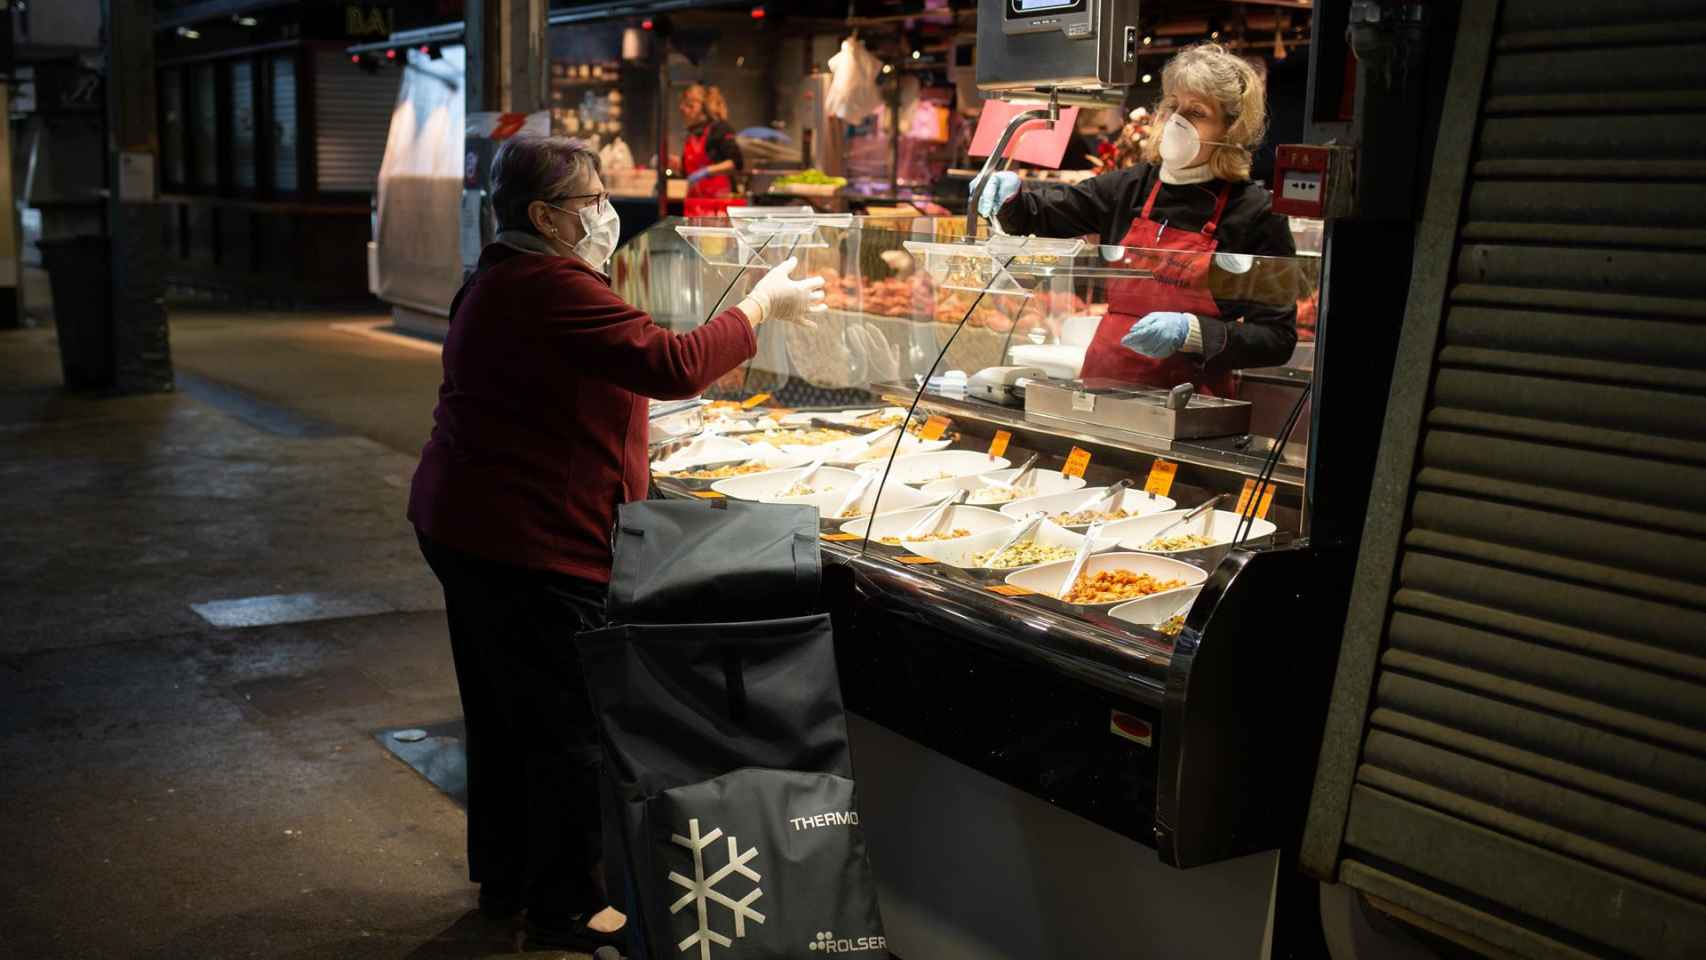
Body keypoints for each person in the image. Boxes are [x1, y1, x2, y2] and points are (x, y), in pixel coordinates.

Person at [407, 136, 823, 951]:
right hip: (529, 541)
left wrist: (633, 435)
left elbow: (555, 392)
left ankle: (507, 878)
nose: (607, 212)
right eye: (590, 200)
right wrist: (760, 309)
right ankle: (564, 904)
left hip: (467, 524)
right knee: (566, 728)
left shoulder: (496, 275)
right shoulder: (547, 284)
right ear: (543, 216)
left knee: (501, 714)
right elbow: (671, 362)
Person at [972, 43, 1296, 395]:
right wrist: (1008, 198)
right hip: (1103, 390)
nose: (1177, 120)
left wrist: (1193, 332)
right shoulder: (1131, 187)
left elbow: (1277, 338)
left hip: (1189, 410)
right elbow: (1041, 214)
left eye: (1197, 112)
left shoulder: (1255, 212)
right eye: (1173, 106)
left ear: (1231, 128)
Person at [679, 84, 744, 198]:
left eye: (689, 106)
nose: (683, 110)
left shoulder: (720, 128)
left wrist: (707, 171)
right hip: (697, 200)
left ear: (703, 108)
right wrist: (673, 163)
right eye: (683, 106)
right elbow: (687, 171)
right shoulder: (692, 135)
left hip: (720, 201)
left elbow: (736, 162)